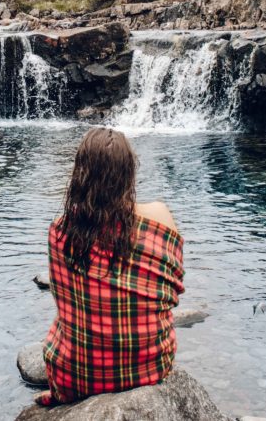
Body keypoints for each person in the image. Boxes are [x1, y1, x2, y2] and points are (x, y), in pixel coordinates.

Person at [37, 127, 184, 406]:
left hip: (76, 376)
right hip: (150, 366)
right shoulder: (159, 217)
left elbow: (63, 299)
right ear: (129, 173)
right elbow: (173, 292)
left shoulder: (60, 231)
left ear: (80, 174)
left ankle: (59, 397)